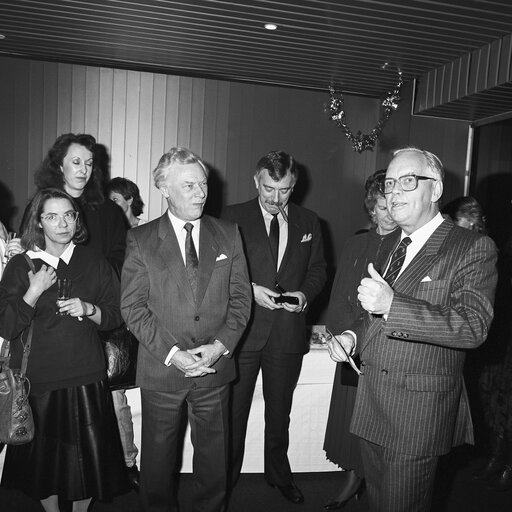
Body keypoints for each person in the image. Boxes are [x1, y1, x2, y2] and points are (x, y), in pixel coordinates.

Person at [327, 147, 498, 511]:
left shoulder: (471, 247)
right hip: (372, 401)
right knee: (377, 500)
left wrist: (393, 305)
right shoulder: (390, 243)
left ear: (435, 190)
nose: (394, 193)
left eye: (407, 181)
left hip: (416, 415)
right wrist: (352, 337)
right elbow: (372, 315)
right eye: (390, 183)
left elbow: (472, 327)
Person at [120, 147, 251, 512]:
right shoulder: (142, 239)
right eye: (189, 185)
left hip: (215, 367)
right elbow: (133, 307)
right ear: (164, 188)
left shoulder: (228, 234)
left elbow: (242, 301)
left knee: (214, 465)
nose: (200, 193)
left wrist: (220, 347)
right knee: (158, 467)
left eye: (204, 184)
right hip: (163, 369)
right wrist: (174, 355)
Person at [0, 188, 127, 512]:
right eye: (52, 216)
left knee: (88, 464)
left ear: (77, 220)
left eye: (69, 215)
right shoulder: (21, 264)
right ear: (39, 222)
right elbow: (6, 327)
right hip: (39, 381)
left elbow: (116, 314)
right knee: (45, 466)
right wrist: (33, 291)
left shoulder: (94, 260)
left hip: (86, 375)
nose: (62, 223)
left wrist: (88, 308)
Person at [223, 150, 326, 504]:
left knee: (279, 413)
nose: (274, 198)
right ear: (256, 181)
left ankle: (278, 476)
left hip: (287, 334)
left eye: (283, 190)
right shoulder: (231, 217)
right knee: (233, 414)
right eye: (269, 188)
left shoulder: (310, 222)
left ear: (293, 186)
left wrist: (305, 295)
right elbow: (217, 270)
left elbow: (318, 272)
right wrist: (249, 291)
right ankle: (225, 479)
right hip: (244, 332)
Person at [323, 169, 398, 509]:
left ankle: (364, 478)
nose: (389, 213)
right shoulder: (356, 242)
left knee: (377, 422)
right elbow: (338, 294)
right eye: (382, 206)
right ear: (371, 208)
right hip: (349, 344)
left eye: (394, 205)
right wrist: (338, 333)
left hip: (378, 345)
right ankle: (354, 476)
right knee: (350, 415)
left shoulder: (403, 247)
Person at [444, 196, 512, 492]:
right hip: (489, 339)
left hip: (503, 338)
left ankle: (503, 462)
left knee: (503, 400)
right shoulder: (471, 247)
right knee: (488, 397)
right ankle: (496, 458)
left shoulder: (486, 250)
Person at [106, 177, 146, 488]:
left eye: (116, 201)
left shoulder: (141, 236)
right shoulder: (104, 236)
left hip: (132, 328)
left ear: (129, 200)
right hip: (106, 323)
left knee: (117, 398)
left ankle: (128, 461)